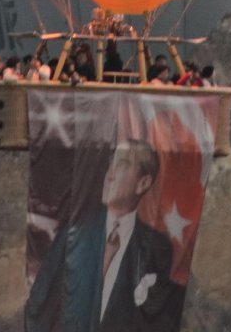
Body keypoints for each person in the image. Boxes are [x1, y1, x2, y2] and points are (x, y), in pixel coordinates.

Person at [25, 140, 178, 332]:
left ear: (143, 183)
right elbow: (41, 300)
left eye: (122, 164)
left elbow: (155, 320)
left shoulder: (158, 248)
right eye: (110, 163)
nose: (109, 174)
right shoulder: (75, 234)